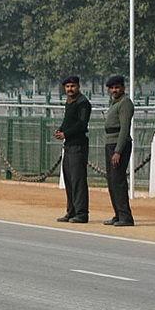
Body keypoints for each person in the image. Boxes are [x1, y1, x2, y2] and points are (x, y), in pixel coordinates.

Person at [54, 75, 92, 223]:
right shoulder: (69, 102)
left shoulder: (83, 103)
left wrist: (66, 133)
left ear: (78, 87)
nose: (70, 89)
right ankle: (71, 211)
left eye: (73, 86)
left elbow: (82, 124)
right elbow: (68, 121)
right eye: (68, 86)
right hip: (69, 145)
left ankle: (82, 213)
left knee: (78, 180)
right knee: (69, 180)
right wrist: (60, 130)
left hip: (78, 145)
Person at [103, 75, 135, 226]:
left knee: (118, 180)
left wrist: (118, 151)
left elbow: (124, 129)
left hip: (119, 144)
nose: (114, 90)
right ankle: (118, 214)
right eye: (112, 88)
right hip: (110, 143)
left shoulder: (125, 103)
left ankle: (125, 216)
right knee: (112, 181)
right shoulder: (114, 103)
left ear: (123, 88)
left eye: (117, 87)